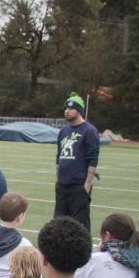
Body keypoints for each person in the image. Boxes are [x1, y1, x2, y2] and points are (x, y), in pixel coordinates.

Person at [55, 92, 101, 233]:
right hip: (62, 186)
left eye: (71, 108)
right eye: (66, 109)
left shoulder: (89, 131)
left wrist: (87, 184)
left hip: (79, 186)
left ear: (79, 110)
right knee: (58, 224)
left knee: (80, 226)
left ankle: (82, 253)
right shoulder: (63, 131)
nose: (67, 111)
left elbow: (93, 159)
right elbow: (59, 156)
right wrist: (57, 180)